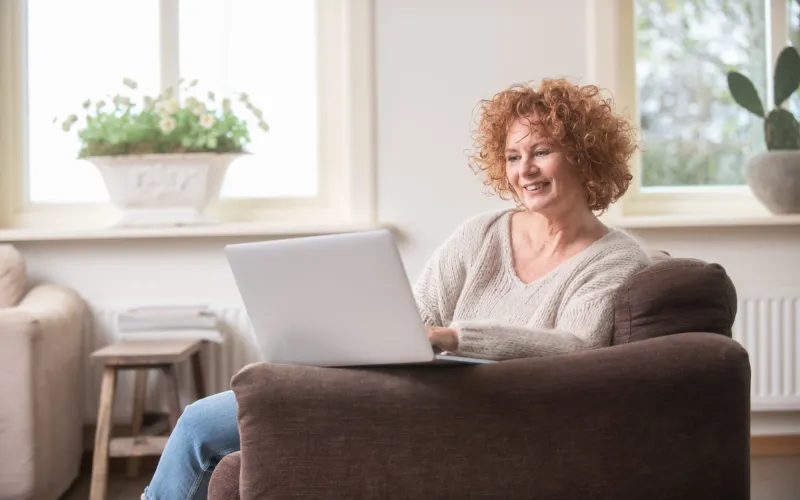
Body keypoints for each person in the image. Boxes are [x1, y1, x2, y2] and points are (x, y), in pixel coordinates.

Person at [141, 78, 652, 499]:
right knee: (199, 425)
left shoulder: (616, 258)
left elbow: (577, 347)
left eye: (541, 151)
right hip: (400, 386)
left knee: (210, 428)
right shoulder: (481, 233)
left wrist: (456, 337)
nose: (526, 170)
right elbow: (415, 316)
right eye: (514, 156)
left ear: (585, 156)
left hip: (471, 411)